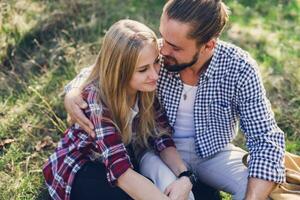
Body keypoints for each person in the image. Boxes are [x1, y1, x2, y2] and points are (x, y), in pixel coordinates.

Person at [64, 0, 286, 199]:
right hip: (157, 150)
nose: (163, 50)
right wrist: (73, 92)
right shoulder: (157, 55)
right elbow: (109, 69)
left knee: (262, 188)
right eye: (163, 38)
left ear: (208, 45)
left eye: (175, 47)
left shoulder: (239, 68)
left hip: (212, 152)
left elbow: (265, 137)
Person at [43, 19, 195, 200]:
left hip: (120, 159)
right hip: (82, 165)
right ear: (119, 71)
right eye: (143, 69)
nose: (155, 74)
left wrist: (185, 176)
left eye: (156, 62)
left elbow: (160, 137)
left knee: (153, 187)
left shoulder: (145, 89)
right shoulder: (97, 99)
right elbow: (122, 173)